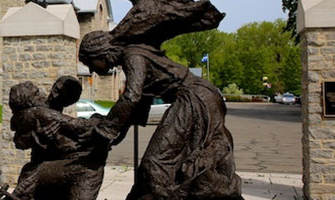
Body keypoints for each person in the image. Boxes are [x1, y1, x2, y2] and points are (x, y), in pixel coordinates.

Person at [78, 0, 243, 199]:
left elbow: (131, 97)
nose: (92, 70)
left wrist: (105, 131)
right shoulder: (135, 54)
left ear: (99, 52)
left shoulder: (132, 55)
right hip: (199, 96)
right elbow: (137, 104)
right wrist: (114, 135)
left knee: (155, 165)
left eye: (90, 62)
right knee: (158, 168)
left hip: (195, 97)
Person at [0, 77, 126, 200]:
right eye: (37, 94)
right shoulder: (42, 114)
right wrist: (98, 119)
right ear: (30, 100)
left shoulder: (29, 116)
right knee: (89, 170)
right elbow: (80, 126)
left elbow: (20, 141)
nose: (43, 95)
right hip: (55, 165)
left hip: (58, 162)